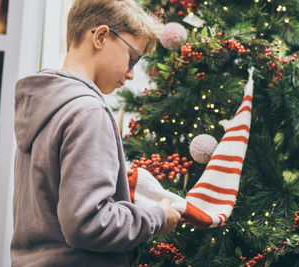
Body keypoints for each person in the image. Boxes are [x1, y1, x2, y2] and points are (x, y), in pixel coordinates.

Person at [11, 0, 181, 266]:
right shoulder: (88, 112)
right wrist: (156, 217)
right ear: (101, 36)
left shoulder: (45, 103)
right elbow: (88, 222)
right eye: (132, 58)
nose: (131, 75)